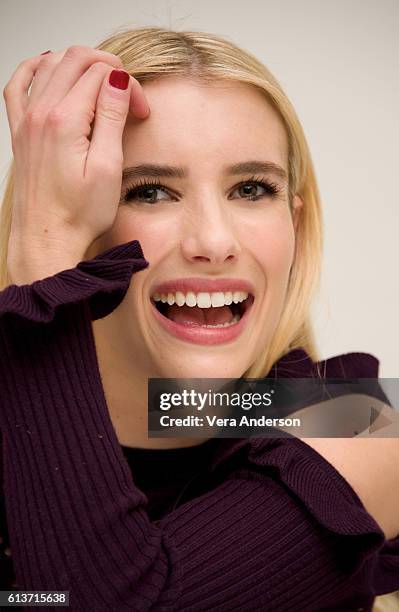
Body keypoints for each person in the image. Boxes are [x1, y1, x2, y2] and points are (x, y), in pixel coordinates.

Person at [0, 26, 398, 611]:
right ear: (67, 208)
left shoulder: (360, 426)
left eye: (253, 188)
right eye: (151, 192)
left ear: (294, 223)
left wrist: (42, 262)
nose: (214, 241)